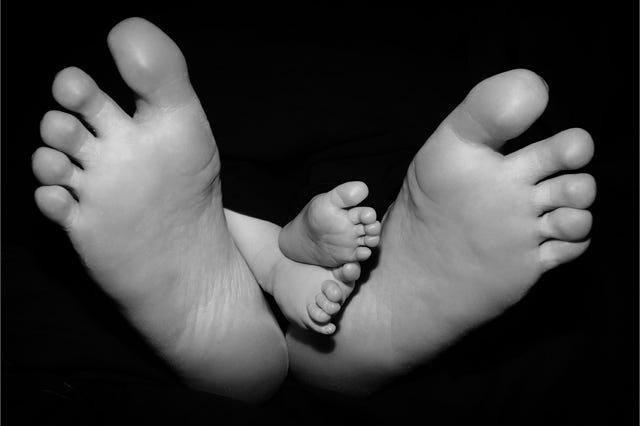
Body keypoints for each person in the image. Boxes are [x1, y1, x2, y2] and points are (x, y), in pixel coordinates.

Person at [31, 17, 595, 402]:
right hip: (367, 138)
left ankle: (282, 291)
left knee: (277, 222)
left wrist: (294, 249)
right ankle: (324, 312)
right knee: (310, 217)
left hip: (250, 178)